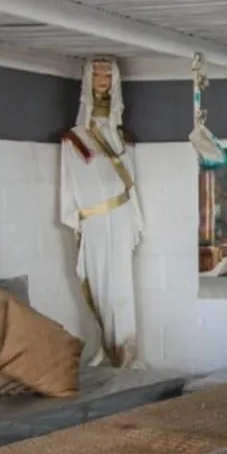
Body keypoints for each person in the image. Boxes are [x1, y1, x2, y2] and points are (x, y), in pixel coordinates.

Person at [59, 57, 144, 367]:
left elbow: (131, 185)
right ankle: (106, 346)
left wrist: (134, 217)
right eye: (97, 74)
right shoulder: (73, 139)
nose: (102, 80)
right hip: (92, 221)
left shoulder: (121, 139)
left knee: (121, 282)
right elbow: (70, 185)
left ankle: (126, 349)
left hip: (119, 217)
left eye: (108, 75)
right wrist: (77, 219)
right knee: (96, 282)